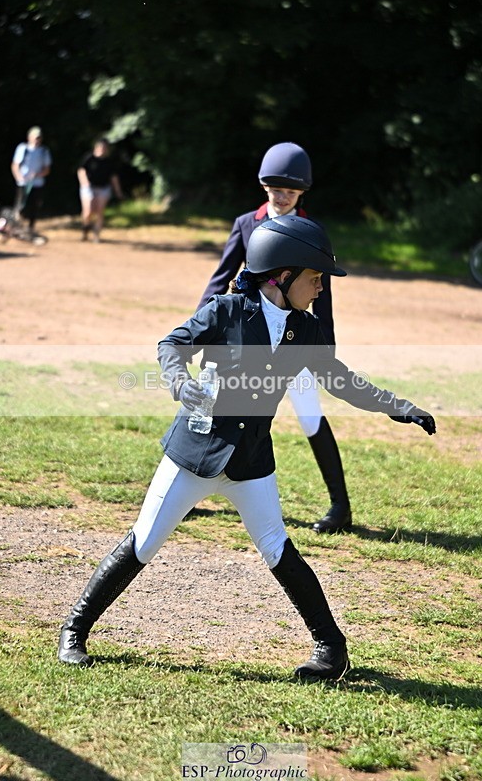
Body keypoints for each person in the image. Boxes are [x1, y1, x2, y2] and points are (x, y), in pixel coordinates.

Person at [58, 215, 436, 681]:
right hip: (196, 453)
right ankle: (74, 630)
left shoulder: (305, 329)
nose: (321, 288)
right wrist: (178, 380)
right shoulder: (227, 310)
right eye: (315, 278)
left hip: (252, 461)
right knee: (145, 541)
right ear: (283, 276)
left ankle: (332, 650)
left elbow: (341, 380)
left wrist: (399, 407)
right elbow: (172, 344)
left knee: (277, 547)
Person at [197, 142, 351, 535]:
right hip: (247, 337)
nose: (282, 197)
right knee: (212, 406)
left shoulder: (312, 232)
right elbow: (221, 277)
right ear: (264, 186)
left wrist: (325, 353)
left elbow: (323, 297)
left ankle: (340, 506)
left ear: (302, 193)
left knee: (309, 414)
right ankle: (189, 490)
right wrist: (202, 326)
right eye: (276, 189)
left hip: (294, 339)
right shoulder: (245, 224)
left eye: (291, 191)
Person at [77, 138, 123, 242]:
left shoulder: (109, 162)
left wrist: (118, 191)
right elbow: (81, 170)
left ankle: (96, 235)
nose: (103, 149)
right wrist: (84, 182)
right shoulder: (89, 158)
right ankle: (85, 229)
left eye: (105, 148)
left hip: (103, 188)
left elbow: (114, 177)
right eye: (101, 147)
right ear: (96, 148)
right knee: (88, 211)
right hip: (89, 187)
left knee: (99, 211)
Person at [11, 126, 52, 232]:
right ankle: (16, 227)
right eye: (35, 137)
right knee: (20, 206)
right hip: (23, 183)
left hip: (37, 183)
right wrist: (19, 177)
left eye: (39, 138)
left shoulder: (44, 151)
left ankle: (30, 228)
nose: (37, 140)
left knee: (34, 206)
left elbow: (47, 169)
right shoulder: (22, 148)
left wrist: (38, 174)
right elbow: (15, 165)